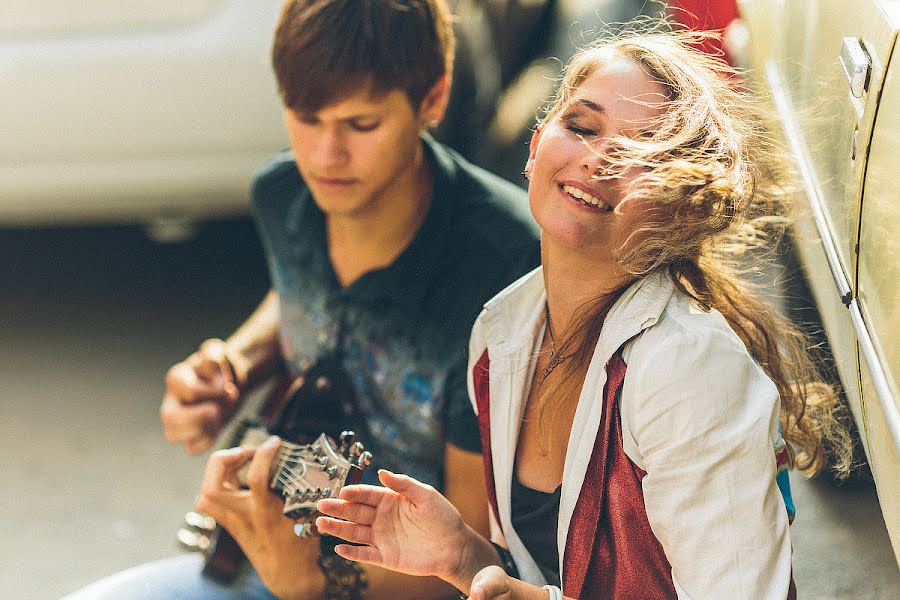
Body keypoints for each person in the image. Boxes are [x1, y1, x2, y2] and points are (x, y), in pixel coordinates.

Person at [311, 27, 853, 600]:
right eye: (582, 126)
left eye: (639, 153)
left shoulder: (689, 369)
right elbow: (557, 576)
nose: (597, 160)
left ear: (680, 210)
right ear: (537, 144)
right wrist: (464, 555)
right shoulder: (501, 333)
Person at [64, 1, 539, 599]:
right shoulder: (282, 194)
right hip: (276, 549)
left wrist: (309, 583)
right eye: (305, 118)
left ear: (433, 100)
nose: (325, 156)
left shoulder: (504, 264)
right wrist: (231, 367)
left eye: (361, 125)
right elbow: (304, 292)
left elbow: (474, 555)